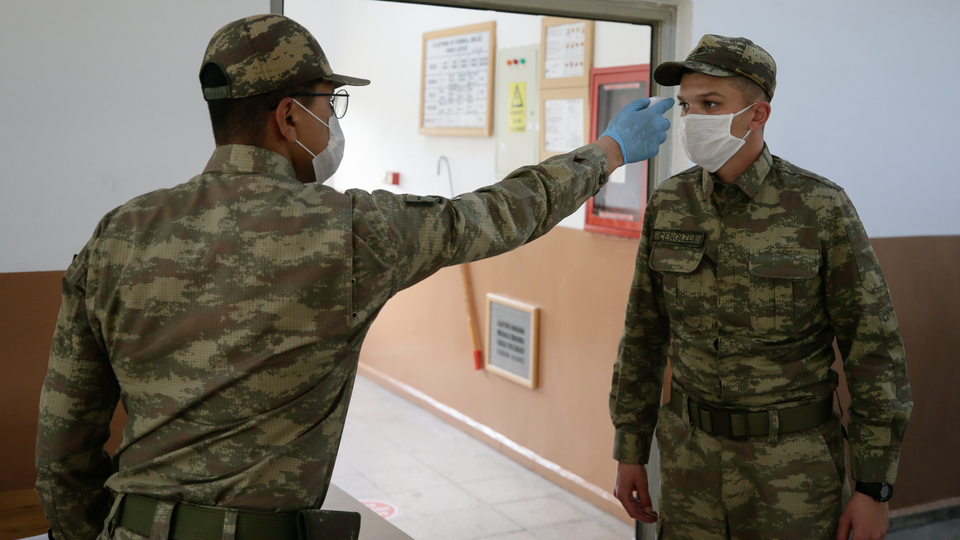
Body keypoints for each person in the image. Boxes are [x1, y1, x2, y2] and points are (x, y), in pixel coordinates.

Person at [34, 13, 674, 540]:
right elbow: (499, 213)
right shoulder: (348, 229)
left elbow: (62, 443)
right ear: (288, 118)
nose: (333, 121)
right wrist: (609, 151)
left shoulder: (121, 231)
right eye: (329, 103)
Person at [609, 34, 912, 540]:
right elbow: (643, 333)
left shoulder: (819, 206)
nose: (692, 119)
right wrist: (630, 448)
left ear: (757, 114)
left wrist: (873, 486)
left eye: (710, 104)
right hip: (690, 467)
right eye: (686, 106)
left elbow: (873, 350)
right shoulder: (670, 202)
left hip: (792, 474)